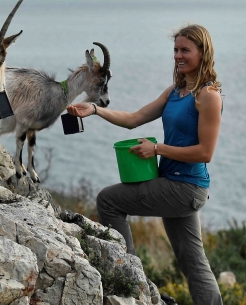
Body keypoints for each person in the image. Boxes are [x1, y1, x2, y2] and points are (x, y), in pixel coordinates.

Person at [66, 24, 223, 305]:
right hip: (177, 185)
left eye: (185, 50)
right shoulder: (176, 91)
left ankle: (130, 280)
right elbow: (134, 118)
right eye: (176, 50)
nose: (178, 55)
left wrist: (157, 149)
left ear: (203, 52)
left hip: (185, 187)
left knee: (109, 201)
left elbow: (205, 152)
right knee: (193, 263)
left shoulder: (208, 96)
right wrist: (96, 109)